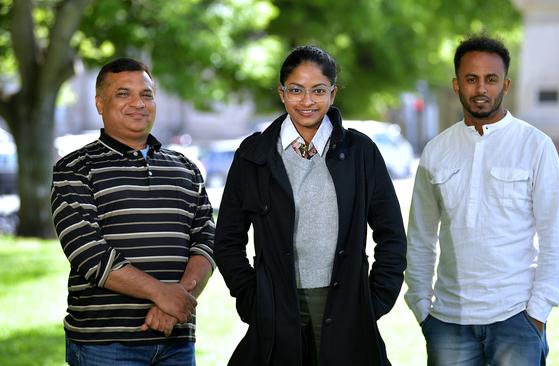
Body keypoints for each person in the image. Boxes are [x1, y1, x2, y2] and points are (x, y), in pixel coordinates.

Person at [213, 45, 407, 365]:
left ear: (333, 93)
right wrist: (252, 299)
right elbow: (227, 240)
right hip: (276, 307)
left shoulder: (361, 152)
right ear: (281, 93)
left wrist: (373, 301)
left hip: (346, 306)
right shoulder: (254, 155)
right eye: (296, 90)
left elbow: (392, 235)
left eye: (318, 90)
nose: (307, 101)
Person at [404, 35, 559, 365]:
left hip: (516, 318)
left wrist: (537, 314)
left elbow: (556, 239)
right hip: (449, 323)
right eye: (471, 79)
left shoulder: (535, 146)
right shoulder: (436, 151)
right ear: (456, 85)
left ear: (505, 84)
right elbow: (420, 237)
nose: (481, 89)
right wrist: (423, 308)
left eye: (491, 79)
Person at [51, 57, 216, 365]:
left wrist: (174, 301)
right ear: (100, 103)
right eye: (123, 94)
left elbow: (206, 241)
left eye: (147, 94)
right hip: (106, 345)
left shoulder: (186, 168)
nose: (138, 103)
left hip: (176, 341)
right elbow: (89, 253)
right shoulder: (75, 169)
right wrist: (161, 294)